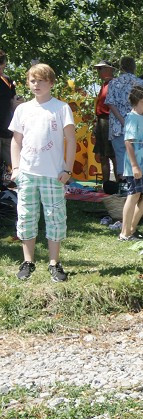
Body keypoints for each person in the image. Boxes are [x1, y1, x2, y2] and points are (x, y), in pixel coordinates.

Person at [10, 64, 76, 282]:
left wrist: (67, 168)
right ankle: (28, 261)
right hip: (27, 173)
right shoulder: (22, 109)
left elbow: (71, 140)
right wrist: (16, 168)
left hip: (54, 174)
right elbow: (16, 141)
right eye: (32, 80)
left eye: (41, 80)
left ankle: (54, 263)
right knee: (26, 216)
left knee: (55, 217)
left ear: (51, 83)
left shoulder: (61, 108)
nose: (36, 84)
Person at [119, 86, 143, 241]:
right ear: (142, 101)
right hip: (137, 167)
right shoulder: (132, 118)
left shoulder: (142, 118)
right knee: (133, 196)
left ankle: (131, 229)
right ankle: (124, 233)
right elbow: (128, 142)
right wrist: (134, 165)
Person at [106, 57, 143, 182]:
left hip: (118, 127)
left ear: (121, 67)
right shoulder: (142, 84)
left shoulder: (113, 83)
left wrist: (121, 120)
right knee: (138, 156)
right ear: (134, 67)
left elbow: (110, 103)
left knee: (121, 156)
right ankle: (138, 188)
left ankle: (125, 186)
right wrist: (140, 119)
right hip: (139, 126)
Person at [91, 60, 117, 186]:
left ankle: (119, 183)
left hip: (109, 121)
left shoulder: (114, 84)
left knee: (113, 154)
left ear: (109, 69)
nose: (98, 72)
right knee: (102, 155)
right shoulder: (104, 85)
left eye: (100, 69)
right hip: (101, 122)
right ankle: (106, 184)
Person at [0, 50, 16, 183]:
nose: (3, 66)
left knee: (15, 162)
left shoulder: (7, 80)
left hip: (6, 131)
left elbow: (13, 103)